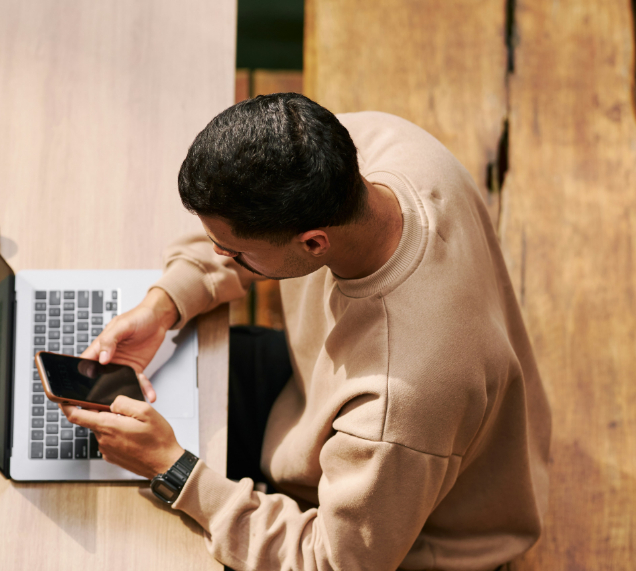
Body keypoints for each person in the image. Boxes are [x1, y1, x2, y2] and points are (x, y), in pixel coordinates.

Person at [61, 93, 551, 571]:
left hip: (405, 527)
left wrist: (174, 469)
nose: (222, 257)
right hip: (318, 405)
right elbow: (247, 233)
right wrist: (166, 304)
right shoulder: (380, 144)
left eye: (234, 252)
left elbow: (333, 560)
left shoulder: (398, 401)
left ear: (314, 243)